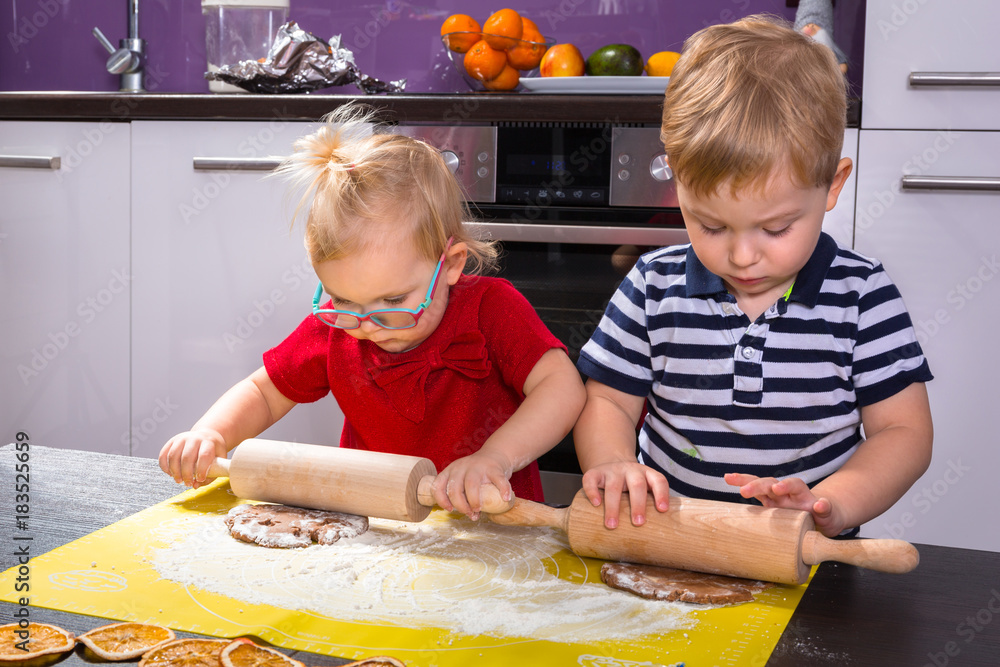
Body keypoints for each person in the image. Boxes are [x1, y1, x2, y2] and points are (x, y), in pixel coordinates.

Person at [573, 15, 933, 538]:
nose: (742, 256)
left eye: (776, 227)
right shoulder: (653, 286)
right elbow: (607, 400)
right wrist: (611, 461)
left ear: (832, 186)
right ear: (676, 180)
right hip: (671, 544)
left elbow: (904, 433)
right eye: (711, 225)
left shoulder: (861, 298)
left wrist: (830, 503)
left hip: (804, 562)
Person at [159, 103, 586, 519]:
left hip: (494, 528)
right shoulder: (335, 327)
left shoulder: (492, 308)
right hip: (375, 528)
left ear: (451, 265)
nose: (366, 324)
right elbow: (265, 392)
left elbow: (562, 388)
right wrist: (211, 433)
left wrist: (495, 457)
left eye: (395, 301)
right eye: (343, 300)